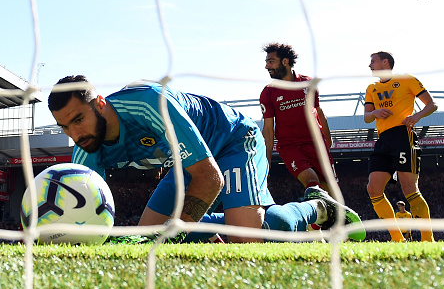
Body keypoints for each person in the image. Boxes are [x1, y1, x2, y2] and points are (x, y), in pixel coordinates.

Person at [48, 75, 366, 243]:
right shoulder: (85, 146)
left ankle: (318, 207)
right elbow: (82, 210)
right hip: (189, 163)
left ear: (100, 104)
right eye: (65, 127)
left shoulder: (149, 105)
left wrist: (176, 231)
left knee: (245, 238)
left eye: (78, 119)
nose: (75, 134)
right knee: (144, 240)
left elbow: (211, 178)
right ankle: (211, 227)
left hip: (233, 141)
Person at [364, 51, 437, 242]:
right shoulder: (371, 88)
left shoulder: (407, 80)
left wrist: (416, 116)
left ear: (385, 62)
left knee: (410, 189)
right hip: (383, 140)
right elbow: (366, 117)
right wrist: (376, 112)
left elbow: (431, 104)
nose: (370, 65)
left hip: (403, 136)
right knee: (373, 189)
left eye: (373, 61)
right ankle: (398, 239)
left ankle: (428, 240)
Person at [260, 43, 338, 194]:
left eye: (271, 61)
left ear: (285, 61)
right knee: (311, 181)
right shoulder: (268, 92)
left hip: (316, 144)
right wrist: (266, 161)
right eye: (266, 62)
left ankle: (336, 217)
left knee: (333, 192)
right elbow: (268, 130)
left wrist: (328, 140)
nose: (266, 66)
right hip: (290, 147)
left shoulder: (308, 83)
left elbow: (318, 112)